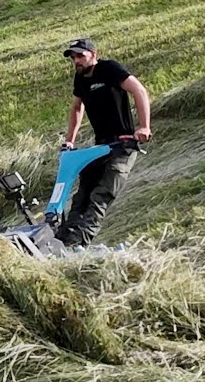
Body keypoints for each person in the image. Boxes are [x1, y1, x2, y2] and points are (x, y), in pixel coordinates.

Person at [54, 37, 152, 247]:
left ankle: (78, 244)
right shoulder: (80, 79)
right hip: (100, 147)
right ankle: (60, 242)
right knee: (82, 195)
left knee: (100, 195)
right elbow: (76, 108)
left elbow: (139, 90)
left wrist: (144, 126)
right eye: (73, 58)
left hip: (123, 145)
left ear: (93, 55)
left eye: (80, 55)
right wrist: (69, 141)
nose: (76, 61)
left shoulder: (109, 69)